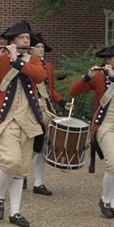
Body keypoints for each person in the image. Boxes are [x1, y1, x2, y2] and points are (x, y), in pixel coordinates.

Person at [0, 21, 46, 227]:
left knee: (21, 170)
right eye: (22, 38)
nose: (26, 41)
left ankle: (15, 212)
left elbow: (40, 77)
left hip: (29, 120)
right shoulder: (0, 58)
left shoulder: (34, 60)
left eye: (28, 38)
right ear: (12, 41)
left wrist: (19, 61)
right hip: (5, 119)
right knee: (10, 162)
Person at [69, 43, 114, 219]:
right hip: (104, 124)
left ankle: (112, 204)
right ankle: (105, 200)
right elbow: (74, 91)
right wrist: (87, 76)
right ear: (108, 60)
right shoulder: (99, 76)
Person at [23, 33, 73, 194]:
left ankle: (38, 182)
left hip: (47, 110)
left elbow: (51, 91)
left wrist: (63, 103)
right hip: (31, 109)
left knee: (43, 147)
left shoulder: (49, 67)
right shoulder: (25, 63)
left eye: (42, 47)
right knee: (30, 145)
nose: (41, 49)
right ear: (30, 50)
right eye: (37, 47)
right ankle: (21, 172)